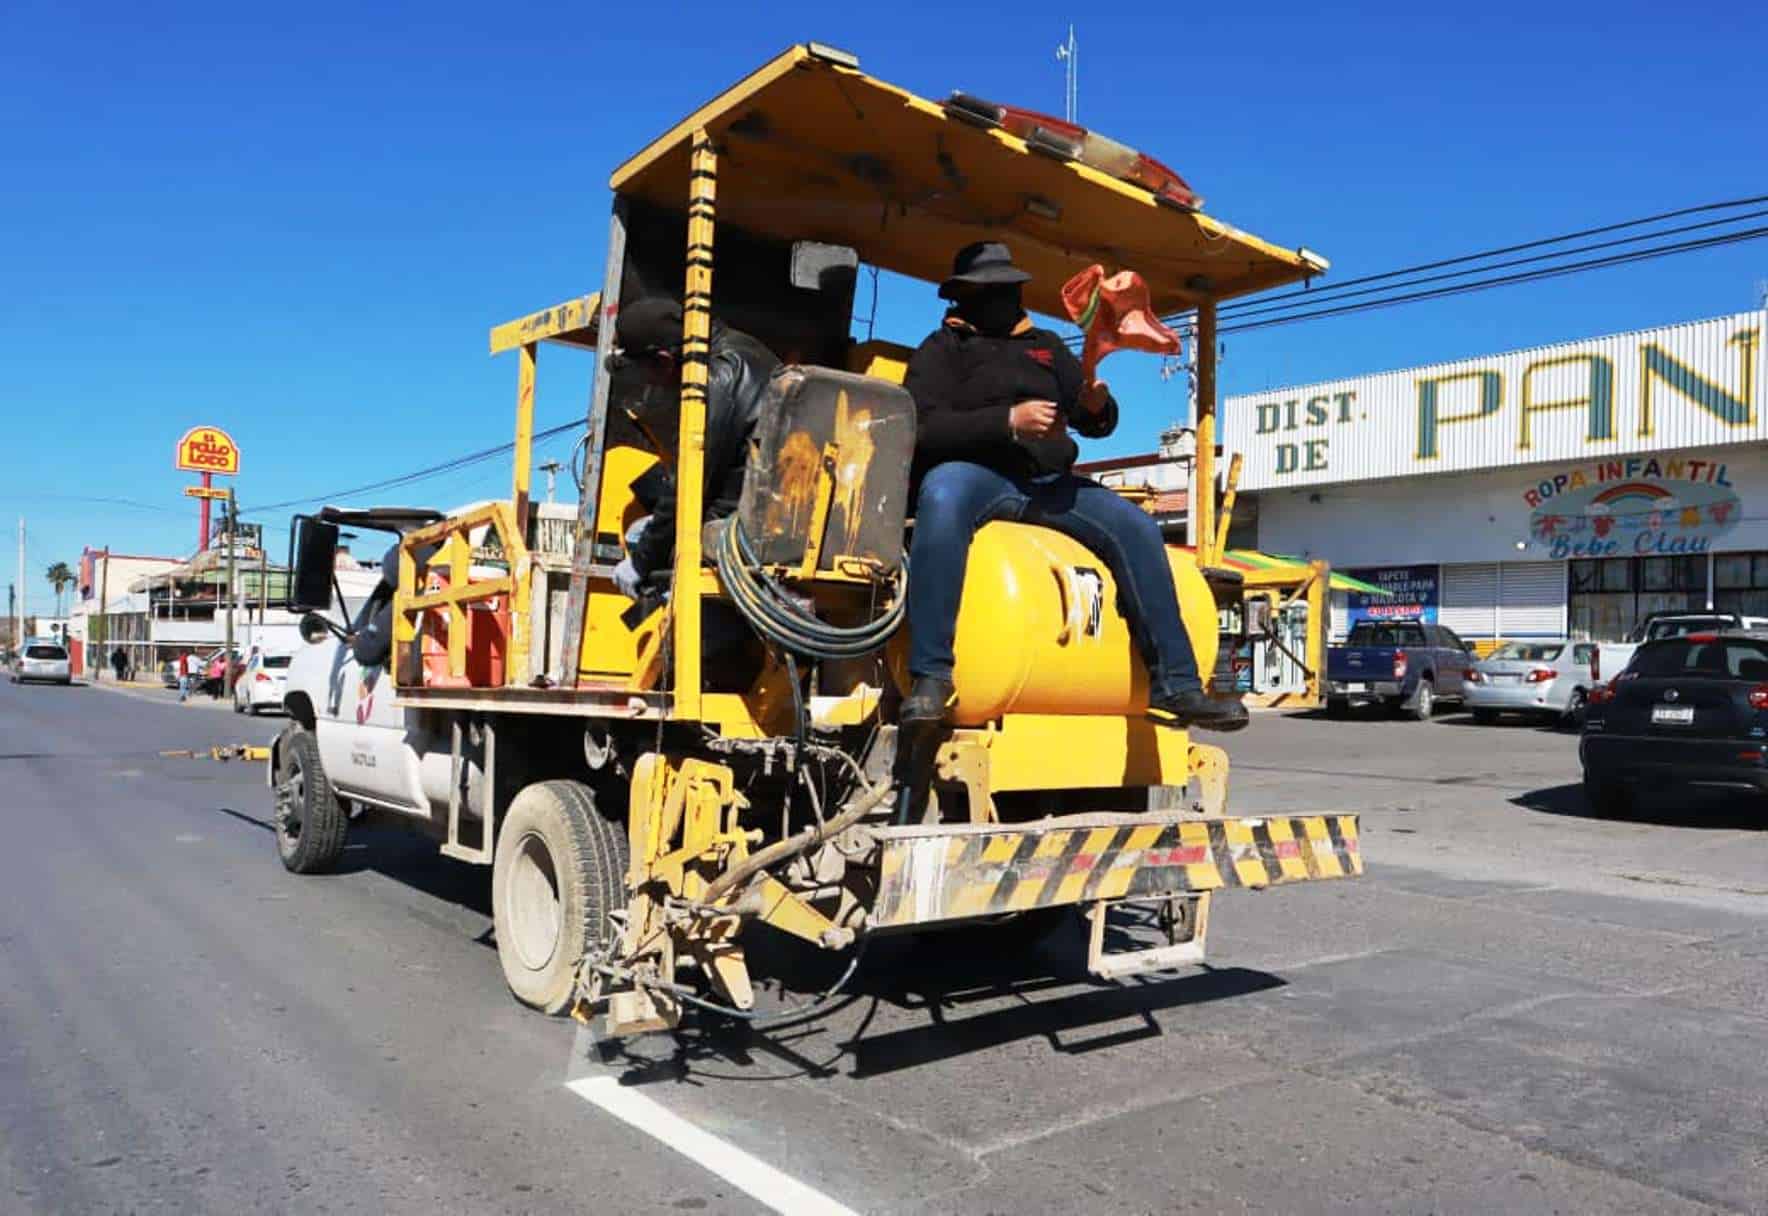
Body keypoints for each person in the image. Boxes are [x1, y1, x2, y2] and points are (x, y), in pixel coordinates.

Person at [900, 241, 1246, 732]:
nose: (1005, 299)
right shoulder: (941, 351)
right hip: (978, 476)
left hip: (1050, 481)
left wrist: (1097, 405)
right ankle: (931, 678)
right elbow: (922, 426)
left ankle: (1179, 686)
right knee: (941, 494)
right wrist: (1007, 421)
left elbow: (1092, 420)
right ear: (965, 296)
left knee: (1137, 527)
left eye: (1009, 290)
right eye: (992, 290)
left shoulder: (1047, 346)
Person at [607, 296, 779, 601]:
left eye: (648, 372)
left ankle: (685, 638)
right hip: (769, 511)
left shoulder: (711, 382)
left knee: (639, 535)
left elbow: (688, 486)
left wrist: (640, 562)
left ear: (663, 360)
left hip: (741, 522)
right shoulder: (744, 348)